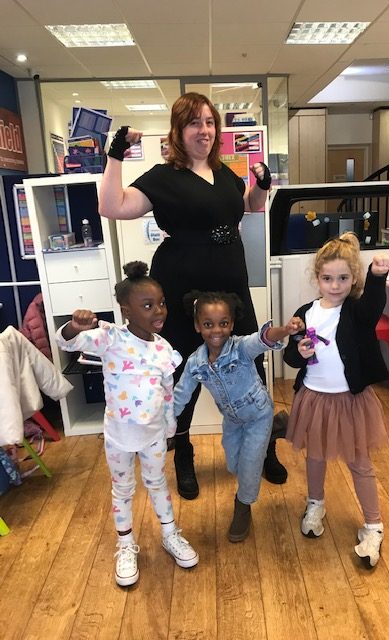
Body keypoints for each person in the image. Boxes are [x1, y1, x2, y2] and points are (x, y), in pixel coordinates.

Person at [98, 92, 288, 500]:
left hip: (231, 288)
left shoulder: (225, 174)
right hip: (182, 286)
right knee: (184, 372)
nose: (204, 130)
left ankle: (264, 449)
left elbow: (250, 207)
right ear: (179, 131)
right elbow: (112, 206)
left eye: (209, 122)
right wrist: (116, 155)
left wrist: (262, 186)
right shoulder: (162, 177)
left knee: (251, 368)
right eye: (194, 123)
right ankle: (183, 454)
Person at [55, 261, 199, 587]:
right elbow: (65, 342)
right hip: (119, 436)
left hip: (153, 436)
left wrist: (169, 428)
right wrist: (74, 327)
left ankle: (169, 534)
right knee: (122, 490)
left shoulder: (164, 349)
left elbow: (167, 393)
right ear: (126, 311)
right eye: (147, 305)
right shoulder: (110, 339)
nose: (158, 311)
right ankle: (125, 544)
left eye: (161, 303)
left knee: (158, 484)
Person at [283, 233, 389, 568]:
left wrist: (377, 277)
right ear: (317, 278)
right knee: (315, 456)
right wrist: (300, 352)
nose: (335, 285)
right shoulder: (306, 313)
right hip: (314, 398)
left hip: (350, 401)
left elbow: (373, 307)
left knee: (360, 462)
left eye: (343, 278)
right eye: (328, 278)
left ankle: (373, 525)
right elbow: (291, 356)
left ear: (354, 278)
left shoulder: (357, 310)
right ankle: (315, 503)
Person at [174, 290, 304, 542]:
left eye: (223, 323)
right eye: (208, 324)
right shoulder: (195, 363)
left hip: (257, 415)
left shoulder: (241, 348)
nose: (217, 330)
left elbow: (263, 338)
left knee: (249, 466)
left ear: (232, 324)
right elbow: (181, 395)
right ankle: (277, 427)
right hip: (233, 421)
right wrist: (164, 423)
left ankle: (243, 506)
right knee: (233, 465)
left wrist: (285, 330)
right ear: (197, 326)